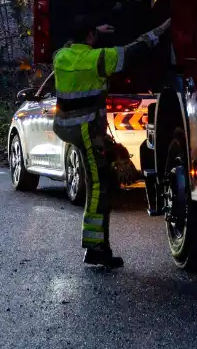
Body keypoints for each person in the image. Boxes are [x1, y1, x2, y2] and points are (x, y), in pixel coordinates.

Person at [53, 14, 170, 268]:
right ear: (91, 38)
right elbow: (132, 52)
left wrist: (93, 29)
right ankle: (95, 248)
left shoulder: (60, 57)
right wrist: (158, 32)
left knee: (103, 177)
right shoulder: (97, 59)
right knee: (98, 185)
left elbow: (70, 44)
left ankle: (98, 246)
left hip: (67, 127)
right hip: (86, 129)